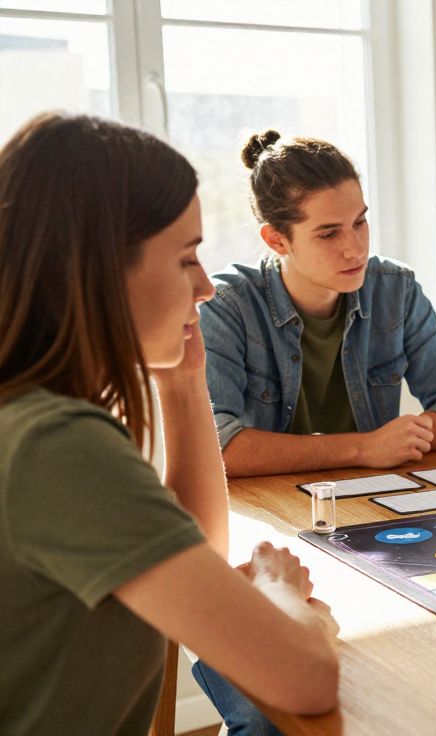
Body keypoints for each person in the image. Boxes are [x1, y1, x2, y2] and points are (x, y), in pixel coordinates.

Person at [0, 113, 339, 733]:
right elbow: (307, 679)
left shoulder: (36, 417)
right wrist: (279, 589)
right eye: (186, 259)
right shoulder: (54, 444)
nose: (206, 287)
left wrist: (182, 382)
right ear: (97, 269)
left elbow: (196, 553)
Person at [200, 131, 436, 477]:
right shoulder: (226, 306)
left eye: (359, 222)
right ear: (276, 239)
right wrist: (363, 447)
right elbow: (217, 448)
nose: (355, 248)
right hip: (271, 507)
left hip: (370, 500)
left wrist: (395, 441)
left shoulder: (395, 289)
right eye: (329, 233)